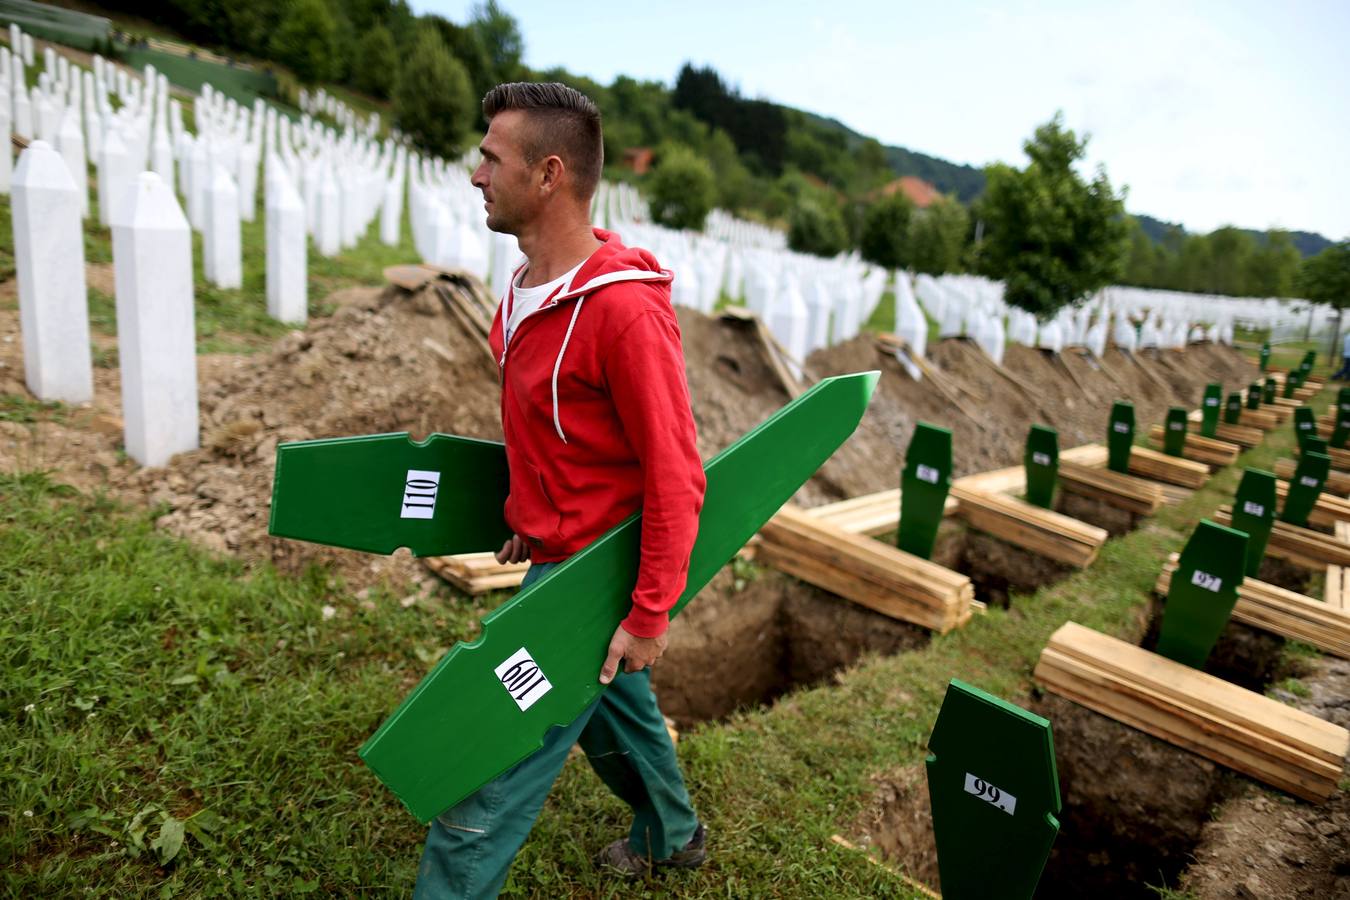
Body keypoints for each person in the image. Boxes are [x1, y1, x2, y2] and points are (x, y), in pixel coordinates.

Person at [412, 82, 708, 899]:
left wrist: (647, 613)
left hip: (590, 584)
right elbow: (551, 429)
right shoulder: (522, 288)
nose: (475, 173)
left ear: (547, 174)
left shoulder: (624, 315)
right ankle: (673, 832)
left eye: (490, 157)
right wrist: (532, 513)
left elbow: (677, 474)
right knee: (618, 708)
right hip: (557, 555)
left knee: (488, 766)